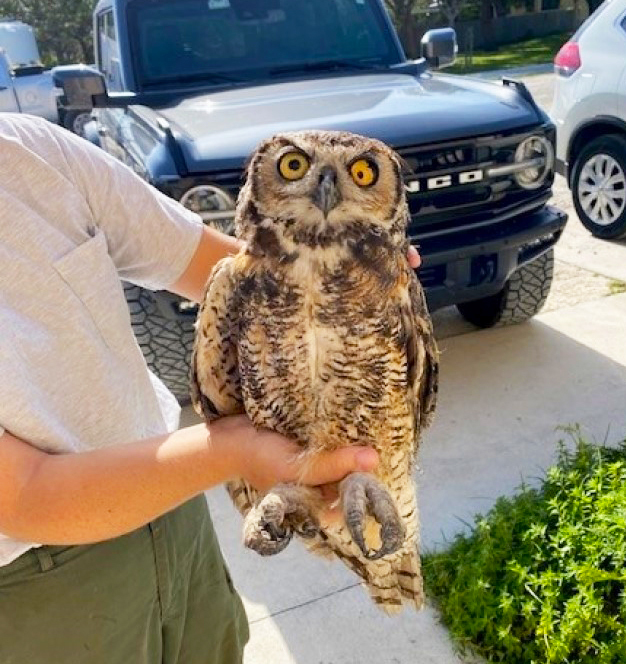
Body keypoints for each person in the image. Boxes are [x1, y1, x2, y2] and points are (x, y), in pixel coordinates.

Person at [0, 114, 421, 663]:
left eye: (362, 174)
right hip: (41, 576)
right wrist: (241, 453)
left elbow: (221, 266)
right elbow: (24, 495)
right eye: (294, 167)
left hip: (171, 503)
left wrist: (346, 273)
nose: (323, 186)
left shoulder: (30, 151)